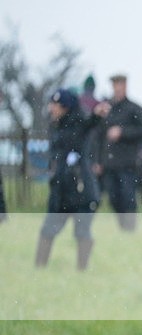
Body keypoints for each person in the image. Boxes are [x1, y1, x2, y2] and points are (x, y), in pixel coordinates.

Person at [35, 88, 102, 270]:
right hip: (60, 190)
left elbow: (90, 122)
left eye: (56, 105)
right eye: (51, 104)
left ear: (66, 107)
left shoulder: (79, 123)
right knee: (48, 229)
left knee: (82, 233)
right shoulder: (55, 126)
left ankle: (82, 272)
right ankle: (39, 269)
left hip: (81, 190)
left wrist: (97, 114)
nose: (52, 108)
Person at [95, 73, 142, 231]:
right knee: (113, 198)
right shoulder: (106, 109)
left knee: (128, 197)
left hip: (128, 162)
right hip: (109, 163)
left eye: (120, 84)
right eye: (115, 85)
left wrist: (122, 132)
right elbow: (99, 137)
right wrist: (98, 160)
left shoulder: (135, 109)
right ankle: (122, 227)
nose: (117, 88)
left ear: (125, 86)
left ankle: (130, 229)